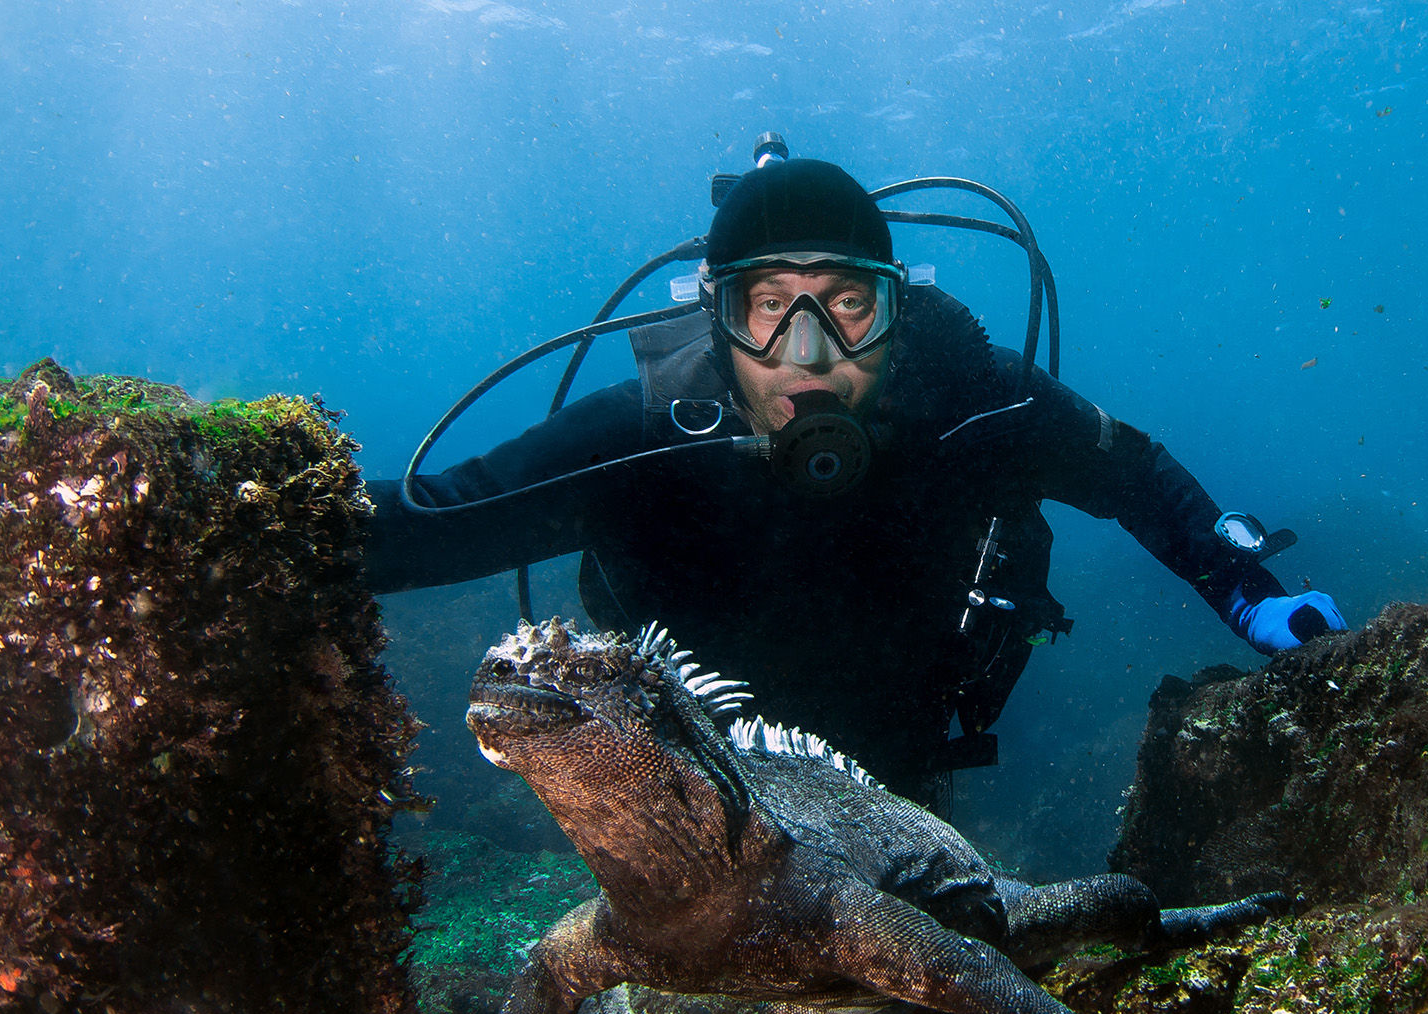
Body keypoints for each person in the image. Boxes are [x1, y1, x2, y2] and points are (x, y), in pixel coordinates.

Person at [363, 155, 1347, 811]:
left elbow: (1134, 475)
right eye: (767, 308)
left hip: (906, 766)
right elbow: (435, 523)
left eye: (844, 304)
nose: (809, 353)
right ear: (714, 322)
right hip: (691, 789)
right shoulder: (642, 439)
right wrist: (249, 512)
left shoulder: (977, 405)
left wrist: (1251, 598)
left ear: (897, 309)